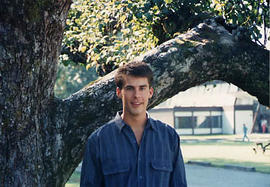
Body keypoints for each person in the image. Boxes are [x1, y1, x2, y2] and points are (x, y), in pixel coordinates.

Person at [80, 61, 187, 187]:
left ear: (150, 92)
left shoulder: (169, 137)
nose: (137, 95)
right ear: (119, 92)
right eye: (130, 88)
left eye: (142, 88)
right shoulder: (98, 141)